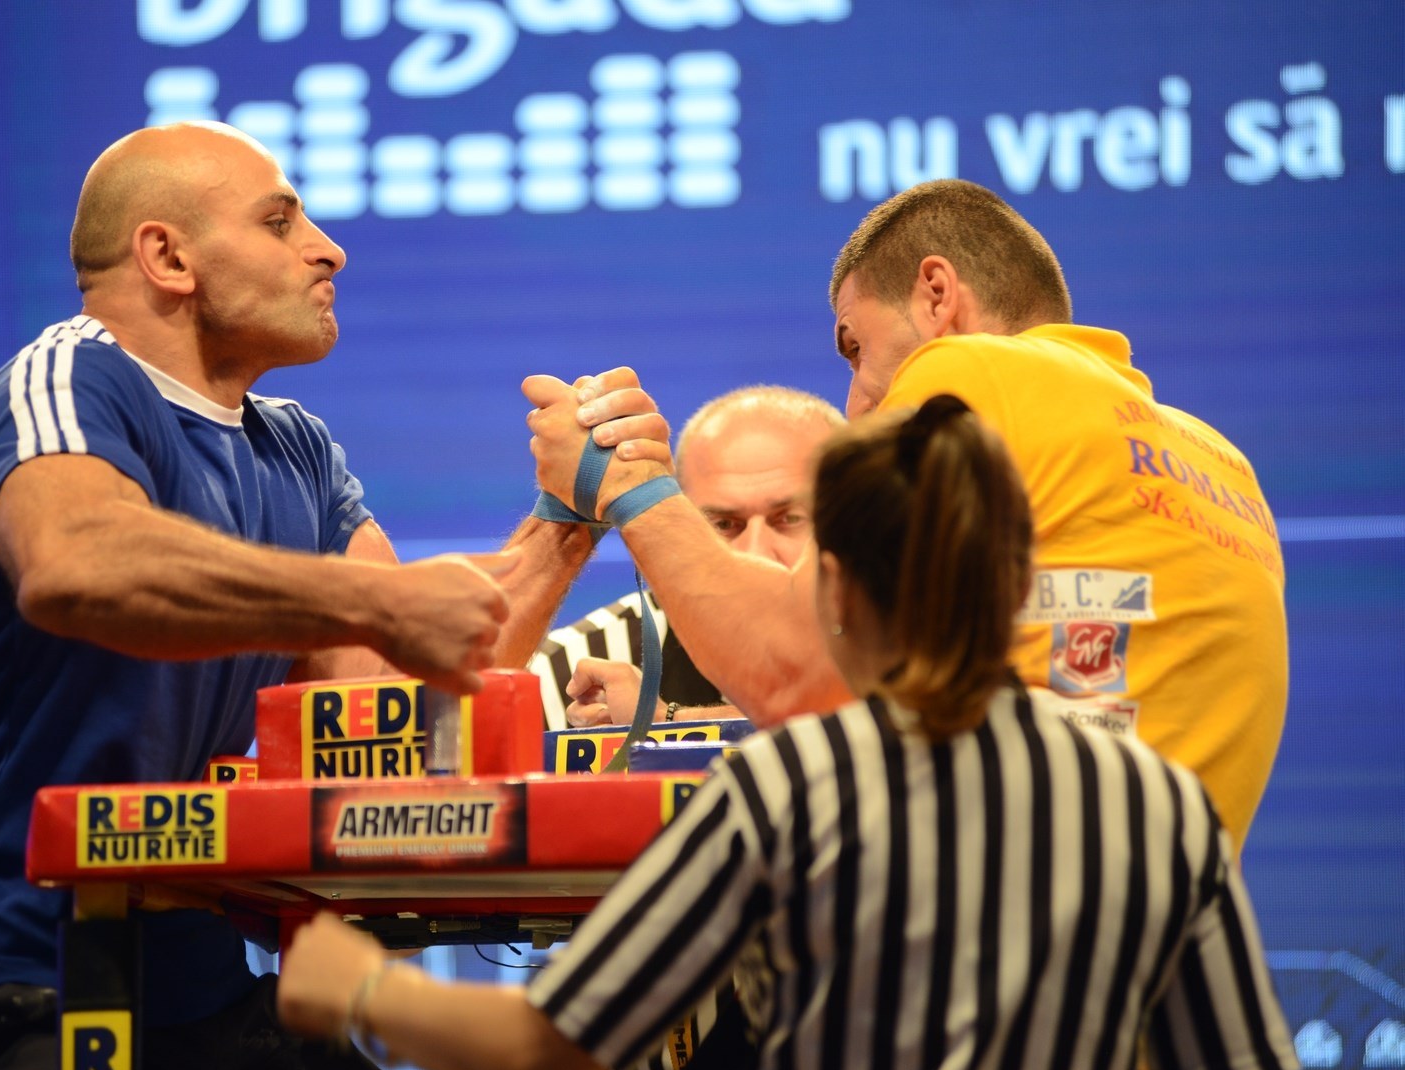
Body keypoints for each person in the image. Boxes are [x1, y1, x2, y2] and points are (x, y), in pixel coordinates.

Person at [276, 396, 1300, 1070]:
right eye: (721, 527)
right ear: (1015, 584)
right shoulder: (1158, 804)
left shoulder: (789, 790)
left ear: (835, 587)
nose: (758, 560)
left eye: (789, 526)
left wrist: (361, 987)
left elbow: (556, 1049)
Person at [0, 121, 599, 1070]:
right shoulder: (62, 380)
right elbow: (78, 564)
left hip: (204, 991)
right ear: (167, 256)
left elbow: (400, 699)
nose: (329, 246)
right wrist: (369, 600)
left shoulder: (293, 445)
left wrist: (568, 521)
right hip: (6, 991)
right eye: (280, 219)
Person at [523, 179, 1287, 847]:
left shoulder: (973, 369)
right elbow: (907, 714)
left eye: (854, 347)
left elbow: (790, 676)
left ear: (936, 293)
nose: (857, 400)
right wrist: (673, 724)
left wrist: (627, 483)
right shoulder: (1219, 461)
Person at [531, 385, 843, 729]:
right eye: (724, 524)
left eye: (790, 519)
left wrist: (667, 723)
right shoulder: (569, 673)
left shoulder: (901, 637)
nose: (756, 552)